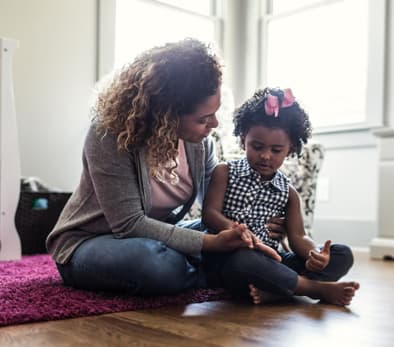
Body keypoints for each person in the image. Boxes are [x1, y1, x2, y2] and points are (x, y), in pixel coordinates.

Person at [46, 38, 282, 296]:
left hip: (156, 236)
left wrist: (252, 227)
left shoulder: (200, 144)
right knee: (155, 263)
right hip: (90, 241)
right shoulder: (109, 135)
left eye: (215, 113)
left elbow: (218, 209)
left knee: (231, 238)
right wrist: (213, 244)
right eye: (203, 119)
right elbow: (130, 225)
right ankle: (224, 273)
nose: (214, 124)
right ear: (166, 114)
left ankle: (220, 270)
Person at [202, 87, 359, 306]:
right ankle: (313, 288)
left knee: (342, 254)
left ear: (290, 149)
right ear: (242, 140)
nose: (265, 156)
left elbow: (298, 238)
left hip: (274, 260)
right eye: (256, 146)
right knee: (244, 261)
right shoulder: (225, 172)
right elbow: (209, 215)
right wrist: (240, 233)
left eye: (276, 150)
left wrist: (315, 255)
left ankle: (279, 291)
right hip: (232, 257)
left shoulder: (288, 192)